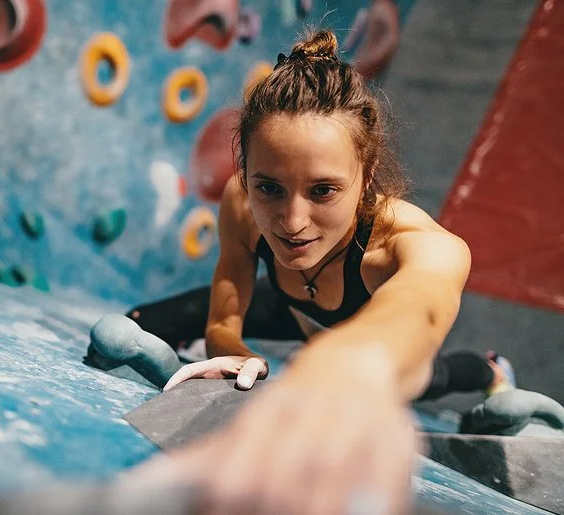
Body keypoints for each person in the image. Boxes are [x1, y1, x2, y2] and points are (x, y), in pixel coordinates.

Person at [117, 30, 516, 514]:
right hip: (288, 304)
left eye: (324, 190)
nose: (291, 222)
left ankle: (491, 368)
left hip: (367, 335)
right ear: (245, 175)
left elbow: (420, 309)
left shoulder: (416, 245)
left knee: (428, 378)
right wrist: (231, 353)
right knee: (139, 320)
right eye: (269, 188)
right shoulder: (241, 204)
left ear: (366, 178)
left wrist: (346, 370)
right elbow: (228, 298)